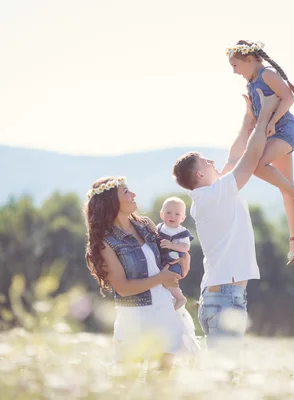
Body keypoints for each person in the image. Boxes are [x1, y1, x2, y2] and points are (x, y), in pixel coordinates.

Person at [172, 88, 279, 348]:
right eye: (205, 161)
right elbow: (249, 159)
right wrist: (265, 113)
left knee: (222, 374)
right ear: (198, 175)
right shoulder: (214, 196)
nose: (212, 160)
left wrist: (247, 120)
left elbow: (234, 156)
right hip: (225, 299)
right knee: (224, 375)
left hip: (219, 296)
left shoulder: (210, 195)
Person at [83, 176, 198, 368]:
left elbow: (168, 256)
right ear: (112, 202)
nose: (133, 194)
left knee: (162, 381)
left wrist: (184, 259)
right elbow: (123, 288)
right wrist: (161, 278)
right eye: (126, 192)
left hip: (164, 309)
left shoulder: (146, 225)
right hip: (133, 318)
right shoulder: (106, 243)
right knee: (128, 383)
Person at [226, 40, 294, 265]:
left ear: (250, 59)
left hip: (285, 130)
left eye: (235, 65)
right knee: (284, 184)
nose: (234, 71)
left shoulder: (267, 74)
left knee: (258, 167)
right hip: (271, 133)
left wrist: (272, 121)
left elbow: (288, 97)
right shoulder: (251, 83)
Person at [157, 196, 194, 310]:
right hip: (160, 259)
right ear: (161, 215)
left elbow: (185, 247)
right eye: (168, 212)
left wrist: (172, 245)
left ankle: (180, 297)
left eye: (177, 214)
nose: (172, 216)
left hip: (173, 261)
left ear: (183, 218)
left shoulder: (182, 232)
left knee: (169, 278)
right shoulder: (159, 228)